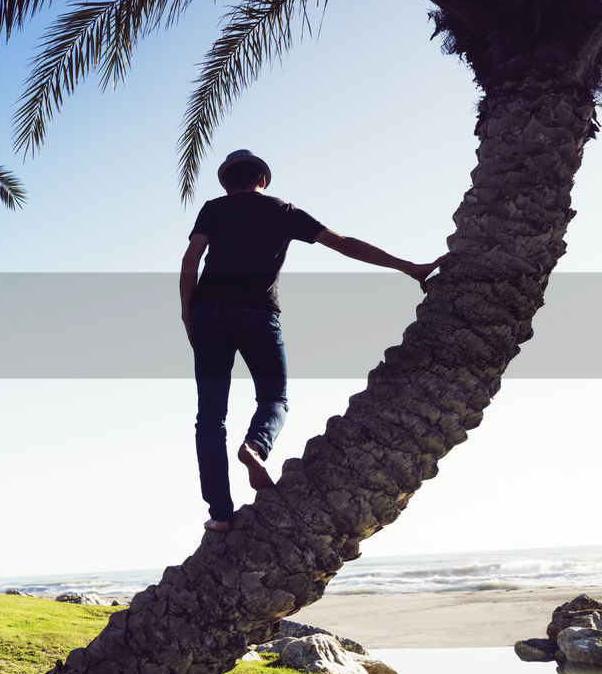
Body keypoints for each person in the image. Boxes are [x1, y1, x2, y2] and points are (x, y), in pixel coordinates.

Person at [180, 149, 441, 533]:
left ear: (226, 184)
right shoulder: (283, 211)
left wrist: (188, 313)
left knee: (211, 419)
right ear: (263, 180)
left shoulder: (213, 209)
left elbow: (191, 260)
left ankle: (220, 515)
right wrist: (408, 266)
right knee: (274, 399)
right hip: (259, 315)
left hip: (209, 314)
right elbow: (345, 243)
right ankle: (256, 445)